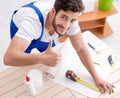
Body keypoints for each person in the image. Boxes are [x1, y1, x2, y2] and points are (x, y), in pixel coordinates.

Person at [4, 0, 114, 94]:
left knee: (51, 53)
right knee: (23, 61)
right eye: (64, 18)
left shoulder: (70, 19)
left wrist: (96, 78)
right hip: (23, 25)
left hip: (45, 29)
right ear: (53, 12)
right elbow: (8, 58)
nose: (67, 26)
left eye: (72, 20)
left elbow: (81, 49)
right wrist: (41, 58)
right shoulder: (31, 23)